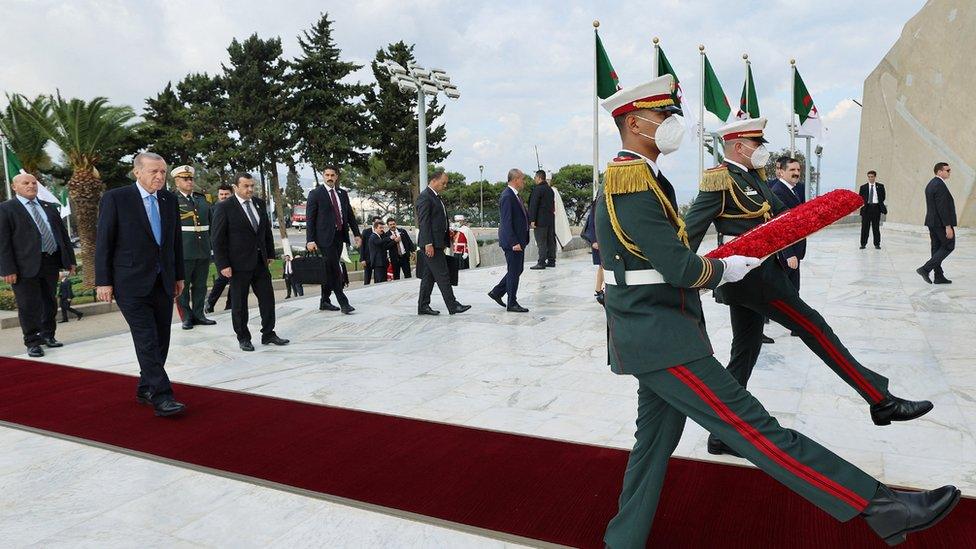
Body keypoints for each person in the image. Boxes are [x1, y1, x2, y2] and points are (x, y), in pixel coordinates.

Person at [597, 75, 959, 549]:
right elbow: (680, 267)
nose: (671, 124)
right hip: (662, 338)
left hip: (660, 332)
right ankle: (882, 508)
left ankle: (622, 541)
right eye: (664, 116)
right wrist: (724, 268)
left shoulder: (642, 178)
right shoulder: (632, 183)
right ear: (635, 123)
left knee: (651, 451)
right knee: (756, 430)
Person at [683, 117, 932, 458]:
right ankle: (880, 400)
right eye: (756, 144)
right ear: (738, 147)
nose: (761, 150)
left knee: (746, 349)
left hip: (756, 275)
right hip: (751, 280)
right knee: (814, 327)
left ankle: (721, 432)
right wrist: (683, 278)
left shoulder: (753, 177)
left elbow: (785, 214)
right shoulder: (719, 180)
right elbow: (688, 234)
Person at [94, 152, 185, 417]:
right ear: (137, 172)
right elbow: (104, 242)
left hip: (162, 280)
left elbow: (174, 242)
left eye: (163, 172)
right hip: (129, 282)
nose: (160, 176)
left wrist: (178, 275)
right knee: (146, 338)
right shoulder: (116, 198)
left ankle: (146, 387)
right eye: (154, 172)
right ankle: (162, 397)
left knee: (162, 339)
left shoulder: (169, 200)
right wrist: (103, 281)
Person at [0, 173, 77, 357]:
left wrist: (70, 260)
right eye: (25, 183)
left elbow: (62, 236)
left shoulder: (48, 207)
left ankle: (48, 335)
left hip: (49, 262)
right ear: (15, 187)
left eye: (34, 183)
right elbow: (2, 242)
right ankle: (32, 342)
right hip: (23, 266)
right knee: (28, 304)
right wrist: (7, 269)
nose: (31, 186)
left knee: (49, 302)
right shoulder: (6, 209)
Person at [211, 173, 289, 351]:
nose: (250, 189)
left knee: (267, 299)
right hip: (237, 264)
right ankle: (243, 337)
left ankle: (268, 333)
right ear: (235, 187)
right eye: (246, 186)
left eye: (252, 186)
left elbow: (265, 231)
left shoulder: (259, 204)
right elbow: (217, 239)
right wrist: (223, 265)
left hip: (260, 262)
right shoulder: (225, 207)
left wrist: (269, 253)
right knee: (239, 303)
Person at [305, 165, 360, 314]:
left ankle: (325, 300)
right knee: (335, 270)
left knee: (329, 270)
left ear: (336, 177)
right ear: (323, 176)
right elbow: (310, 219)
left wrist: (356, 234)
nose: (329, 178)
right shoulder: (315, 194)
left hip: (339, 236)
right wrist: (310, 240)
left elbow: (349, 215)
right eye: (327, 175)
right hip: (323, 239)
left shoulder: (342, 193)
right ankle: (344, 303)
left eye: (332, 175)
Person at [417, 168, 470, 316]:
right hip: (431, 244)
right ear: (434, 181)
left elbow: (438, 221)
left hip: (437, 242)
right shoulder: (425, 197)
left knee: (429, 276)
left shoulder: (435, 197)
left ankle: (423, 306)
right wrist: (428, 243)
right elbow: (424, 222)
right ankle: (453, 306)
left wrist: (448, 233)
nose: (445, 186)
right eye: (443, 183)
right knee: (443, 275)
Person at [171, 165, 216, 330]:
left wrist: (211, 247)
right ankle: (186, 317)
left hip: (202, 248)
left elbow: (211, 225)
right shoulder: (171, 200)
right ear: (176, 181)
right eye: (185, 179)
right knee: (183, 286)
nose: (189, 181)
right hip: (183, 249)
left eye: (191, 178)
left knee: (201, 284)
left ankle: (199, 314)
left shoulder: (202, 199)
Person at [487, 169, 530, 313]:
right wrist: (513, 242)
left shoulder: (515, 195)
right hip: (513, 243)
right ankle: (511, 302)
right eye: (522, 179)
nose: (523, 182)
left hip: (519, 241)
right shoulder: (507, 196)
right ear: (516, 179)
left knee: (517, 269)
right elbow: (506, 222)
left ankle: (497, 292)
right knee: (514, 271)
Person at [768, 156, 805, 292]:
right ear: (781, 172)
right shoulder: (779, 192)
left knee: (793, 292)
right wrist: (788, 253)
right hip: (787, 253)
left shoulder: (794, 190)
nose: (796, 173)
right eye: (792, 170)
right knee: (785, 294)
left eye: (798, 169)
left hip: (795, 249)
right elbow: (780, 225)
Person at [917, 162, 955, 284]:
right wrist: (948, 226)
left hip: (932, 222)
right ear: (939, 172)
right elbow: (942, 208)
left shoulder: (931, 184)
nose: (949, 172)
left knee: (936, 248)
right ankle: (925, 269)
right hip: (940, 223)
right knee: (949, 246)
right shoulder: (939, 185)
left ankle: (938, 276)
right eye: (947, 170)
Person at [205, 184, 234, 313]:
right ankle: (210, 303)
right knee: (223, 277)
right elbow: (211, 232)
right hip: (219, 251)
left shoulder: (236, 208)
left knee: (235, 279)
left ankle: (230, 305)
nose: (223, 196)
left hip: (234, 250)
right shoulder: (213, 210)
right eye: (221, 194)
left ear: (231, 194)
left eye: (226, 194)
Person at [528, 169, 556, 269]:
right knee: (550, 241)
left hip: (540, 221)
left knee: (541, 242)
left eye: (535, 177)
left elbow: (533, 205)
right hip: (550, 220)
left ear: (539, 178)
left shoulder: (537, 189)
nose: (534, 179)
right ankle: (552, 260)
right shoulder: (550, 190)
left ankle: (541, 262)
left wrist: (532, 220)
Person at [580, 198, 604, 306]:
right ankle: (599, 290)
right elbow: (592, 222)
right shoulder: (598, 202)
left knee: (603, 265)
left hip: (602, 240)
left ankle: (599, 289)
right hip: (599, 240)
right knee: (603, 265)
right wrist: (594, 240)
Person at [859, 170, 887, 250]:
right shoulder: (863, 187)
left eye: (872, 177)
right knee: (865, 228)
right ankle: (863, 244)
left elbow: (883, 197)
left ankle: (877, 244)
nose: (870, 178)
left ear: (875, 177)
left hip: (876, 209)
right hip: (866, 209)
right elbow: (860, 198)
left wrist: (878, 204)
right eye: (869, 177)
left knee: (876, 227)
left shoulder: (880, 186)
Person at [367, 219, 394, 283]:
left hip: (382, 263)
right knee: (379, 281)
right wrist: (390, 238)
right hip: (378, 263)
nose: (382, 229)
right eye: (380, 228)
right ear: (375, 228)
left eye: (383, 228)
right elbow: (379, 242)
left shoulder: (379, 236)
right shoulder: (373, 236)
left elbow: (384, 246)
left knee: (383, 280)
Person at [359, 216, 382, 285]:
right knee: (367, 279)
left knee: (378, 278)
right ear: (373, 223)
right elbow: (362, 245)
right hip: (367, 259)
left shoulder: (381, 232)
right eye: (377, 222)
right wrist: (362, 259)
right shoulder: (366, 232)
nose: (378, 223)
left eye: (379, 222)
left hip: (377, 259)